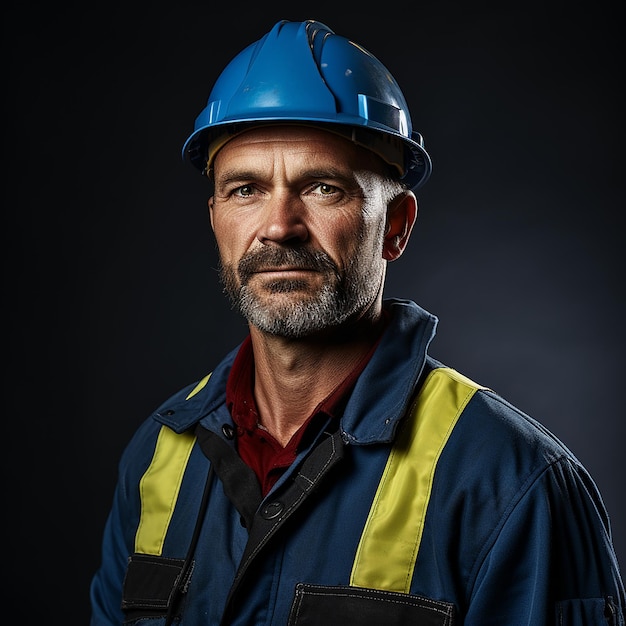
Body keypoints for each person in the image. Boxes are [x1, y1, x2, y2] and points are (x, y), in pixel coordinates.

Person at [89, 18, 624, 626]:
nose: (278, 226)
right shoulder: (157, 458)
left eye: (323, 187)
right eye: (246, 189)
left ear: (395, 225)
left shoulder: (514, 485)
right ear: (215, 218)